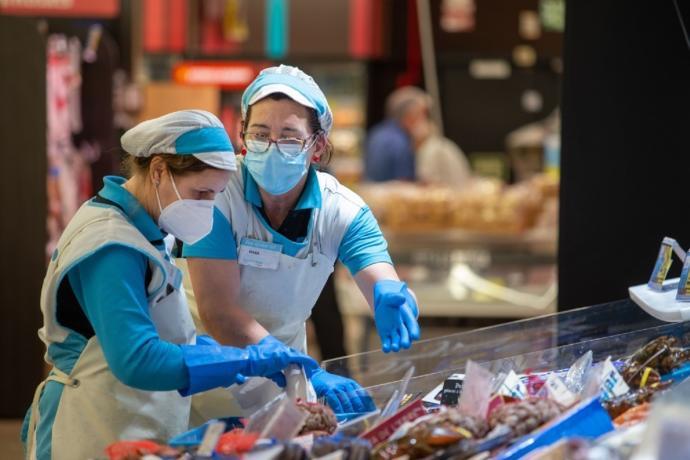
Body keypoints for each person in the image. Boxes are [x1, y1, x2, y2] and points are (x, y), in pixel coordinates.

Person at [21, 110, 318, 460]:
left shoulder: (147, 230)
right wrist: (243, 362)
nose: (208, 208)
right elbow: (137, 359)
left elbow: (163, 334)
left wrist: (246, 360)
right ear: (159, 170)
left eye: (217, 195)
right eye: (203, 193)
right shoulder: (111, 244)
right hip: (89, 427)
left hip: (129, 423)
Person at [182, 65, 421, 414]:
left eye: (290, 137)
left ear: (318, 146)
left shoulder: (342, 209)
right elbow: (219, 313)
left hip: (284, 384)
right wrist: (301, 368)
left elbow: (381, 276)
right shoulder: (216, 195)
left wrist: (395, 295)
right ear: (243, 135)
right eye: (260, 134)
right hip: (204, 375)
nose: (273, 148)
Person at [364, 86, 432, 182]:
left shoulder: (376, 132)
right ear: (410, 115)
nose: (425, 120)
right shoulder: (402, 141)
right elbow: (405, 182)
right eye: (422, 114)